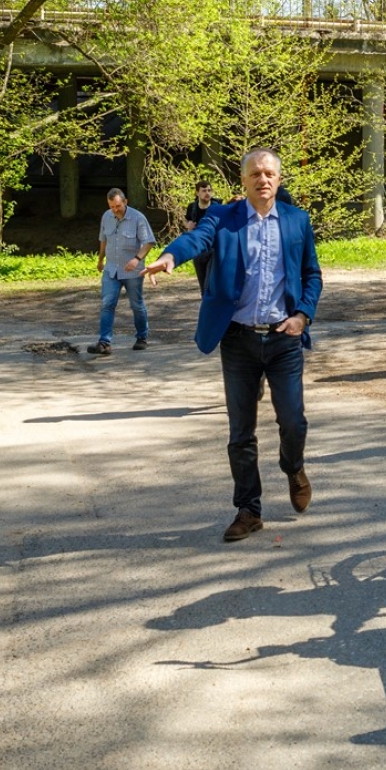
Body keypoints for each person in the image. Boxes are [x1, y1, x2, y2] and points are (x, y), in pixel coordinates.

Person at [142, 149, 323, 543]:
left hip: (284, 338)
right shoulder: (223, 217)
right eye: (256, 173)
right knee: (241, 431)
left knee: (293, 421)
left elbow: (312, 274)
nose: (263, 179)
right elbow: (197, 239)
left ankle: (293, 467)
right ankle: (249, 510)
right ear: (243, 180)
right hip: (238, 339)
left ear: (279, 178)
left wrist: (303, 315)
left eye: (270, 173)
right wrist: (171, 256)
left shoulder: (297, 221)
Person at [88, 188, 155, 355]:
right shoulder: (106, 217)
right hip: (111, 270)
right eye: (112, 206)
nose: (115, 210)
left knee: (136, 305)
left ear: (125, 202)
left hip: (133, 271)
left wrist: (137, 259)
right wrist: (100, 259)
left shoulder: (138, 218)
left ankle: (142, 337)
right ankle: (104, 343)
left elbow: (149, 242)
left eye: (118, 206)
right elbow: (103, 240)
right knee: (107, 304)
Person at [185, 180, 223, 292]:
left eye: (209, 190)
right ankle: (206, 306)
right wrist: (188, 225)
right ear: (197, 193)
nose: (207, 193)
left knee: (211, 283)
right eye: (204, 191)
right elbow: (186, 219)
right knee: (203, 286)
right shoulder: (192, 207)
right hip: (198, 249)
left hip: (214, 249)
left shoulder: (218, 207)